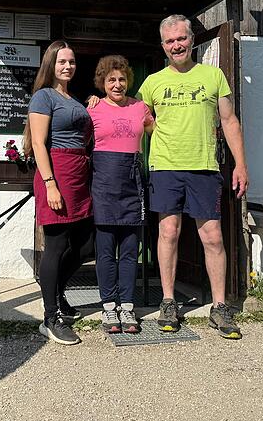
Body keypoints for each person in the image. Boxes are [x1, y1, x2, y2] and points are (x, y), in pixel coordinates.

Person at [137, 14, 249, 340]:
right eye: (170, 41)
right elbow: (139, 119)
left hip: (204, 167)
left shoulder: (213, 76)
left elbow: (229, 121)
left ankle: (219, 307)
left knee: (212, 236)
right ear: (163, 46)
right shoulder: (153, 82)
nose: (177, 45)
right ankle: (169, 301)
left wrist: (240, 164)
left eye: (181, 39)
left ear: (192, 40)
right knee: (169, 232)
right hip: (166, 167)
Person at [24, 40, 94, 346]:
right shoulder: (43, 97)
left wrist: (91, 106)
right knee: (57, 244)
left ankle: (55, 291)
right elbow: (39, 143)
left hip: (79, 174)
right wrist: (50, 183)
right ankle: (50, 317)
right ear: (51, 64)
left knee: (86, 244)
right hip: (58, 172)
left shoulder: (73, 98)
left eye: (72, 62)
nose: (68, 66)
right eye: (62, 61)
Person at [87, 55, 154, 334]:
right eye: (111, 79)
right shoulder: (92, 109)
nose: (117, 84)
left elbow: (160, 133)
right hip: (103, 184)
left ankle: (127, 306)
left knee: (129, 251)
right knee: (105, 252)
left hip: (132, 184)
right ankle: (108, 308)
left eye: (122, 79)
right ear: (102, 82)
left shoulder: (140, 107)